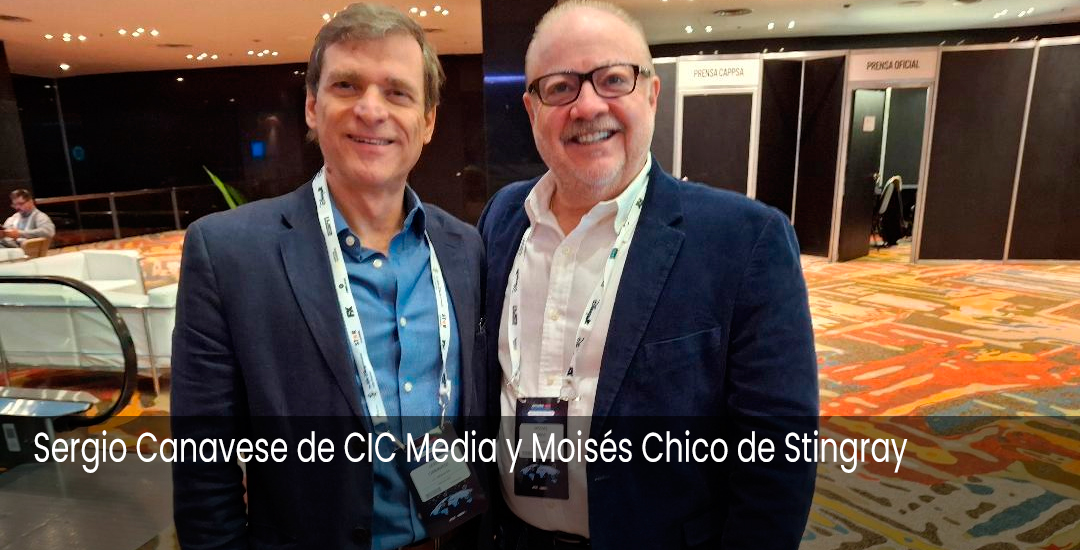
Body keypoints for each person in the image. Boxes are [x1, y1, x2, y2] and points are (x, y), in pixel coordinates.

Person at [477, 2, 819, 549]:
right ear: (531, 108)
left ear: (652, 95)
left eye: (614, 80)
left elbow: (778, 459)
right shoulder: (503, 218)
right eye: (560, 87)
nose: (588, 106)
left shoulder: (744, 240)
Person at [171, 4, 487, 549]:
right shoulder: (228, 253)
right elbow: (204, 469)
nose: (371, 109)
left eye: (397, 92)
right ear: (313, 107)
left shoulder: (463, 247)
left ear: (429, 121)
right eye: (347, 85)